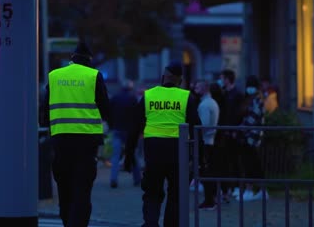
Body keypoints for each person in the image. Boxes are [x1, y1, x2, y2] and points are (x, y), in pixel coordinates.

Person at [42, 42, 110, 227]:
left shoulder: (54, 76)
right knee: (82, 190)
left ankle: (67, 222)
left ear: (72, 58)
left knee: (64, 189)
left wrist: (48, 125)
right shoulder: (93, 75)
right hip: (87, 142)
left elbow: (44, 110)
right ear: (89, 60)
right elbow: (105, 107)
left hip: (60, 140)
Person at [125, 61, 198, 227]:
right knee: (176, 194)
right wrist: (198, 158)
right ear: (180, 80)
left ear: (163, 77)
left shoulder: (149, 95)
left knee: (152, 191)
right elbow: (195, 129)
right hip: (178, 151)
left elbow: (134, 129)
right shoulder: (186, 97)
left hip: (154, 150)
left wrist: (128, 156)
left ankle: (151, 223)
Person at [237, 75, 267, 201]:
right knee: (252, 163)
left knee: (251, 163)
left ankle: (250, 190)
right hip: (249, 136)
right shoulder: (252, 99)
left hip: (252, 136)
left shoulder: (257, 100)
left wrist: (241, 127)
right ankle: (261, 190)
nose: (249, 88)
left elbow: (254, 117)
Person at [109, 79, 141, 188]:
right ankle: (137, 179)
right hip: (130, 131)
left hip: (117, 129)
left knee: (115, 156)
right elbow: (138, 115)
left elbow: (109, 112)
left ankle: (114, 179)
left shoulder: (115, 98)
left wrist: (111, 125)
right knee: (133, 155)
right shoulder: (133, 99)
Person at [218, 69, 244, 200]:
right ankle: (230, 187)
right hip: (225, 131)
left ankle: (238, 186)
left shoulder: (237, 94)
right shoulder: (225, 94)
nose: (221, 80)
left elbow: (239, 113)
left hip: (234, 132)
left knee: (235, 160)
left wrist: (235, 130)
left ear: (228, 79)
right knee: (226, 160)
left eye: (222, 78)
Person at [194, 81, 220, 210]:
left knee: (205, 172)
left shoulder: (204, 105)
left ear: (204, 89)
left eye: (197, 87)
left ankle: (210, 200)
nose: (195, 89)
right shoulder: (212, 103)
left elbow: (202, 125)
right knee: (208, 171)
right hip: (210, 140)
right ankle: (211, 199)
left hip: (205, 141)